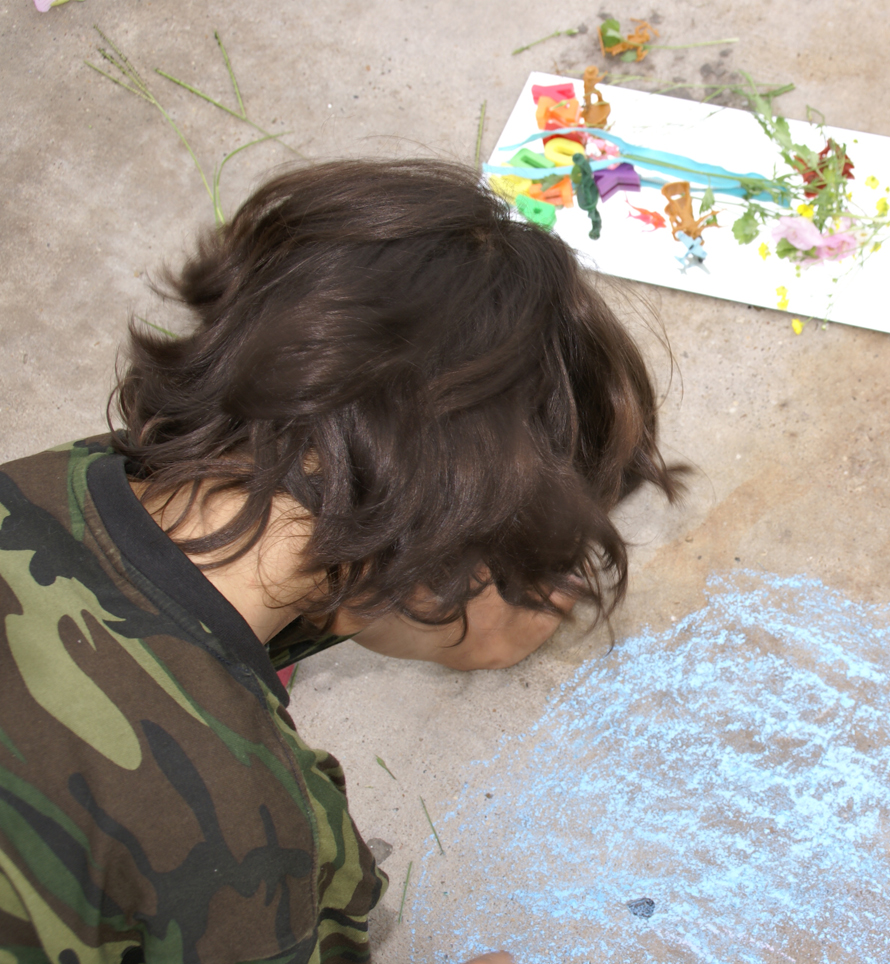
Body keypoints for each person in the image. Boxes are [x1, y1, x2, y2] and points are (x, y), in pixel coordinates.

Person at [0, 159, 685, 963]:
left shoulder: (41, 484)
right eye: (536, 566)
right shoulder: (247, 834)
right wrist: (459, 615)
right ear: (445, 570)